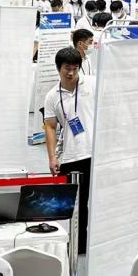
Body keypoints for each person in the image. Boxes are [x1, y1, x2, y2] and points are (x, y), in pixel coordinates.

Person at [42, 48, 94, 220]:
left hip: (94, 153)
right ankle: (73, 237)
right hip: (71, 156)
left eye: (75, 68)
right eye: (67, 68)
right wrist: (52, 158)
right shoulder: (52, 96)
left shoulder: (93, 84)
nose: (71, 73)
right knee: (70, 205)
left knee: (93, 203)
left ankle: (87, 238)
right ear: (58, 68)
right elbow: (50, 127)